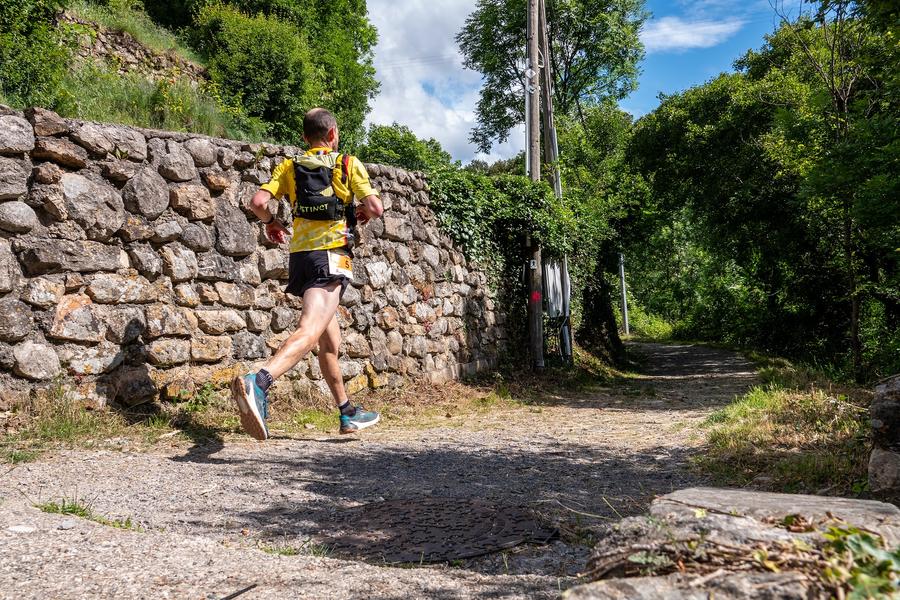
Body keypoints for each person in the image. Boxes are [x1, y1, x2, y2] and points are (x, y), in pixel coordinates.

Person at [230, 108, 384, 441]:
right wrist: (360, 210)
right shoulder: (347, 164)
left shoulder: (290, 166)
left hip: (301, 258)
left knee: (329, 342)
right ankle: (259, 382)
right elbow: (376, 208)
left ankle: (347, 412)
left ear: (305, 137)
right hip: (331, 258)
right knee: (310, 330)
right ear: (333, 134)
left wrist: (271, 222)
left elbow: (258, 202)